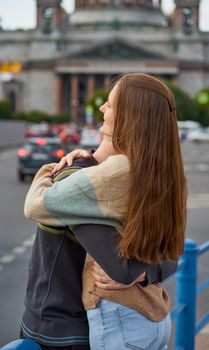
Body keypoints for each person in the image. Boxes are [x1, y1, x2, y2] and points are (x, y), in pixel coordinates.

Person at [24, 73, 186, 349]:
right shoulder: (153, 174)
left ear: (128, 117)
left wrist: (51, 170)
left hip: (64, 328)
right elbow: (171, 254)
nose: (101, 109)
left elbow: (119, 269)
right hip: (147, 317)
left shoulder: (87, 183)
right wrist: (147, 273)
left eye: (109, 104)